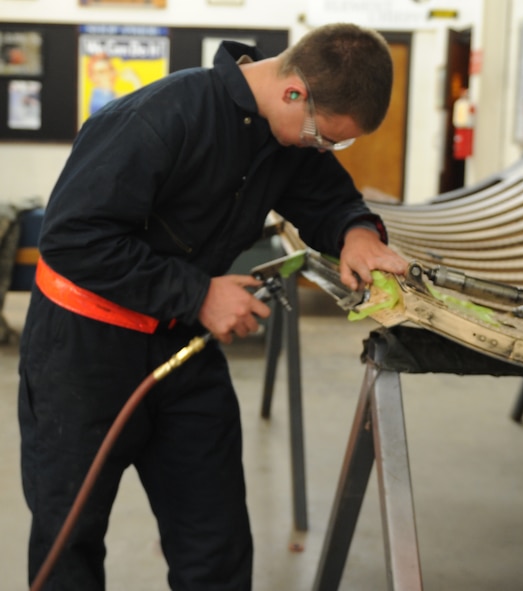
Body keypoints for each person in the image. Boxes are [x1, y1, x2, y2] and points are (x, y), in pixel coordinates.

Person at [18, 23, 407, 590]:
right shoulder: (156, 119)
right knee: (69, 544)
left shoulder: (288, 134)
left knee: (215, 543)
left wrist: (356, 232)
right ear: (295, 91)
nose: (322, 149)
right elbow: (74, 239)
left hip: (181, 345)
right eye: (326, 137)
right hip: (83, 354)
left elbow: (326, 195)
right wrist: (197, 294)